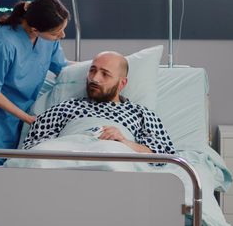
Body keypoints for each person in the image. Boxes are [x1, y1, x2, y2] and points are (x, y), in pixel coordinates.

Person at [0, 0, 71, 168]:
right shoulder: (1, 43)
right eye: (56, 33)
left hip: (16, 123)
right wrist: (28, 118)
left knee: (9, 185)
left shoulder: (47, 41)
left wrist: (95, 66)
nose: (62, 35)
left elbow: (62, 67)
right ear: (35, 29)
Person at [23, 51, 176, 155]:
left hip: (113, 155)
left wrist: (123, 142)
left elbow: (162, 155)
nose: (95, 78)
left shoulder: (141, 113)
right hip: (66, 159)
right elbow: (33, 149)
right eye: (92, 70)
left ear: (122, 84)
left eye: (105, 74)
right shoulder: (64, 108)